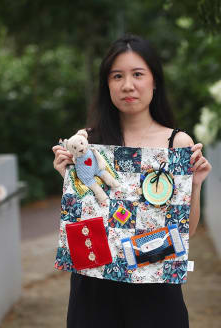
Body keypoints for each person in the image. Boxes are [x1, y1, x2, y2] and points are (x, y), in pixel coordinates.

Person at [52, 34, 212, 328]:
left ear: (154, 81)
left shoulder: (177, 143)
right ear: (107, 85)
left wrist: (197, 184)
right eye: (117, 76)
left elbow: (182, 233)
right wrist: (69, 179)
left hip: (155, 286)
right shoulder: (88, 141)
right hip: (94, 287)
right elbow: (82, 219)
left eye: (138, 74)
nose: (128, 85)